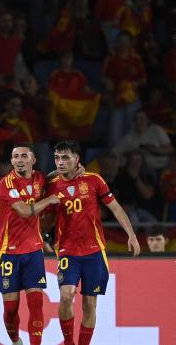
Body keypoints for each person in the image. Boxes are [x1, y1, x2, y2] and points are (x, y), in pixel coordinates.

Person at [44, 140, 140, 345]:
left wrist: (131, 234)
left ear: (76, 159)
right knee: (66, 295)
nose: (60, 162)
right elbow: (44, 211)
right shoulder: (51, 185)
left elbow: (115, 207)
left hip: (94, 251)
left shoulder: (94, 180)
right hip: (67, 250)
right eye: (57, 158)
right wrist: (43, 236)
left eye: (66, 157)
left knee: (89, 304)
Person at [0, 144, 59, 345]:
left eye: (24, 156)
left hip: (33, 251)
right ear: (11, 161)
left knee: (36, 303)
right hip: (9, 252)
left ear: (33, 160)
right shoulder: (7, 183)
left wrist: (75, 168)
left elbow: (50, 176)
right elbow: (24, 211)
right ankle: (15, 340)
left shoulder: (39, 178)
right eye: (15, 157)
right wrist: (48, 200)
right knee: (11, 310)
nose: (19, 160)